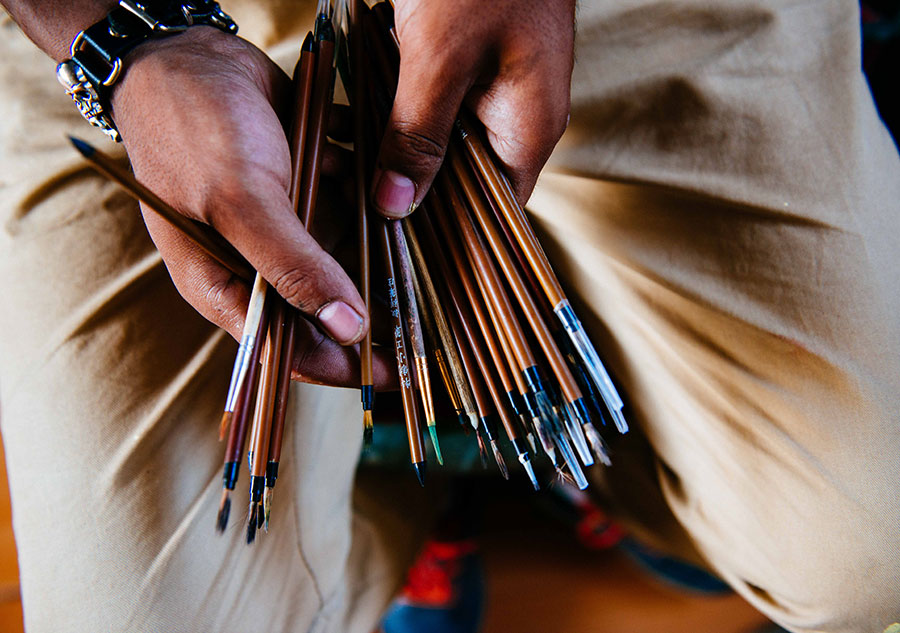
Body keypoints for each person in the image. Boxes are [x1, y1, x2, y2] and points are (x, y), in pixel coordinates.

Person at [0, 0, 898, 632]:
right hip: (139, 51)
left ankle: (578, 447)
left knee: (867, 548)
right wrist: (115, 41)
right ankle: (401, 477)